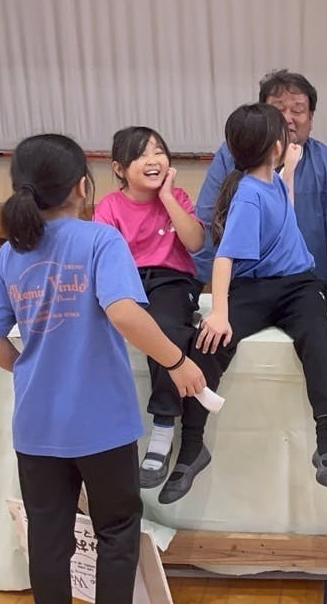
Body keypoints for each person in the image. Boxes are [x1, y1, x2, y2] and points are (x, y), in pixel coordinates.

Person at [0, 134, 206, 602]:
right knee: (117, 532)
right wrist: (177, 361)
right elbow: (124, 313)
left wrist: (29, 370)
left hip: (37, 424)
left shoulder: (8, 254)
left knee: (47, 536)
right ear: (83, 186)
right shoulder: (100, 239)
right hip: (104, 423)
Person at [195, 102, 327, 491]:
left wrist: (288, 170)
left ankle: (326, 446)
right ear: (276, 146)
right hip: (258, 288)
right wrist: (219, 312)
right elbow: (224, 257)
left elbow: (283, 206)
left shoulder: (271, 181)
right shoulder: (249, 195)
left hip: (297, 285)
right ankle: (191, 446)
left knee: (318, 336)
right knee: (213, 341)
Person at [92, 126, 213, 503]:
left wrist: (167, 198)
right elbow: (101, 258)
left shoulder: (177, 197)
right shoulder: (109, 206)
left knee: (164, 329)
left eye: (159, 151)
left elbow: (195, 242)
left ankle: (163, 427)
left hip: (171, 280)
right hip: (127, 280)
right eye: (141, 155)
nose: (153, 160)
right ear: (119, 168)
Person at [194, 69, 327, 289]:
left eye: (297, 110)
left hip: (305, 290)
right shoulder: (230, 156)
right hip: (244, 289)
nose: (287, 119)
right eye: (278, 110)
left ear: (311, 118)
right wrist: (192, 287)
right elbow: (208, 223)